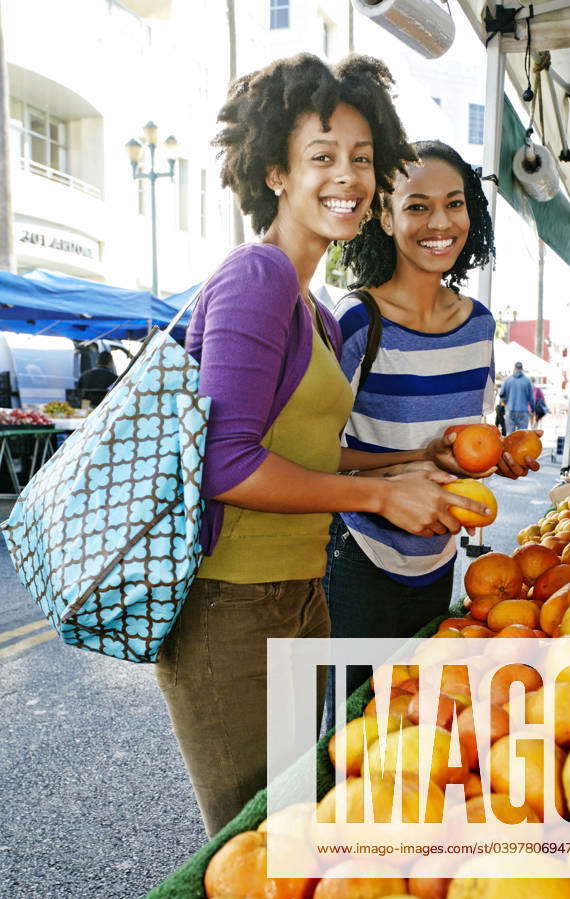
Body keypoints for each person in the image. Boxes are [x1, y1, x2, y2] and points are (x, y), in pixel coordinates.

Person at [155, 56, 488, 838]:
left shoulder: (310, 307)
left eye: (362, 159)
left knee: (306, 825)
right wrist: (379, 497)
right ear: (274, 170)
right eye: (322, 156)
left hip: (301, 595)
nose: (348, 176)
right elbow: (224, 462)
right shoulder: (256, 279)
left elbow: (312, 456)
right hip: (228, 607)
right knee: (254, 846)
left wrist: (410, 467)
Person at [323, 140, 539, 676]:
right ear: (385, 217)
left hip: (440, 559)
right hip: (360, 555)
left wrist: (496, 458)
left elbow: (464, 444)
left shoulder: (479, 326)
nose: (439, 221)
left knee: (417, 710)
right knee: (354, 727)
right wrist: (409, 461)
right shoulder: (357, 321)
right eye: (417, 205)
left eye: (455, 202)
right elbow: (314, 458)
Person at [499, 361, 535, 433]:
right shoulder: (527, 381)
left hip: (510, 410)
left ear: (514, 368)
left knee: (510, 436)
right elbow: (531, 398)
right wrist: (533, 409)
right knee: (522, 435)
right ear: (521, 369)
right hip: (523, 411)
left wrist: (503, 405)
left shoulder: (508, 380)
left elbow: (502, 395)